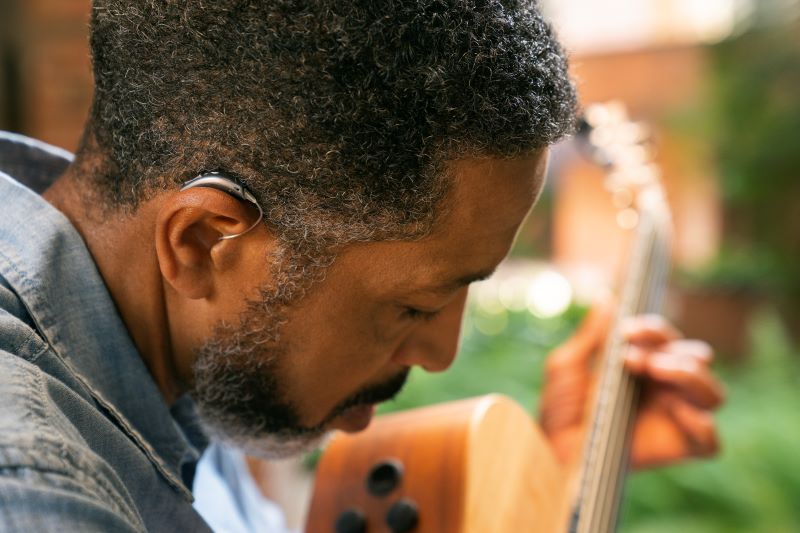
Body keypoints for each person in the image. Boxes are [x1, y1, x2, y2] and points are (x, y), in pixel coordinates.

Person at [0, 1, 723, 531]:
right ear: (201, 243)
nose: (441, 354)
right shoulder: (38, 484)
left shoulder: (174, 350)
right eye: (414, 306)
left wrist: (558, 473)